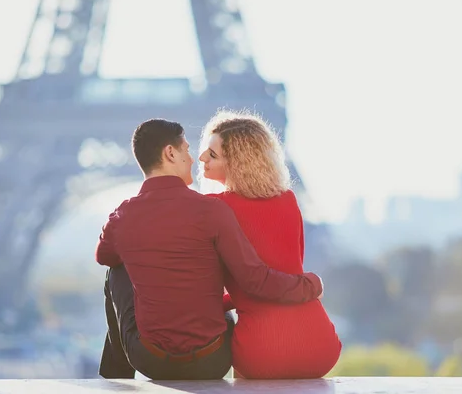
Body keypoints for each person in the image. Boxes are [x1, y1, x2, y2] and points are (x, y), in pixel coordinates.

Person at [95, 118, 323, 380]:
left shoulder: (123, 215)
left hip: (150, 360)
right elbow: (253, 278)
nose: (195, 159)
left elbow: (104, 256)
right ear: (170, 153)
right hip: (212, 360)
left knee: (116, 271)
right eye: (187, 150)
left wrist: (121, 226)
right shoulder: (212, 210)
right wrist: (310, 285)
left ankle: (116, 379)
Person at [198, 110, 342, 379]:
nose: (201, 157)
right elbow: (286, 275)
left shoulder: (217, 208)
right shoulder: (288, 199)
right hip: (320, 347)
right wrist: (312, 284)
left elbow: (254, 283)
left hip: (262, 352)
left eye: (213, 154)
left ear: (237, 162)